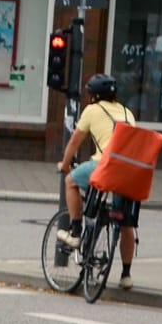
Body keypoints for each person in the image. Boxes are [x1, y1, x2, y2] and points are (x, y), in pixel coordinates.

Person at [58, 73, 139, 291]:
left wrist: (65, 163)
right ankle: (126, 274)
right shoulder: (127, 112)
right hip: (129, 172)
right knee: (126, 224)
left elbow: (75, 140)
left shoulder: (92, 110)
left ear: (94, 95)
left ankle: (75, 232)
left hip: (104, 167)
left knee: (71, 181)